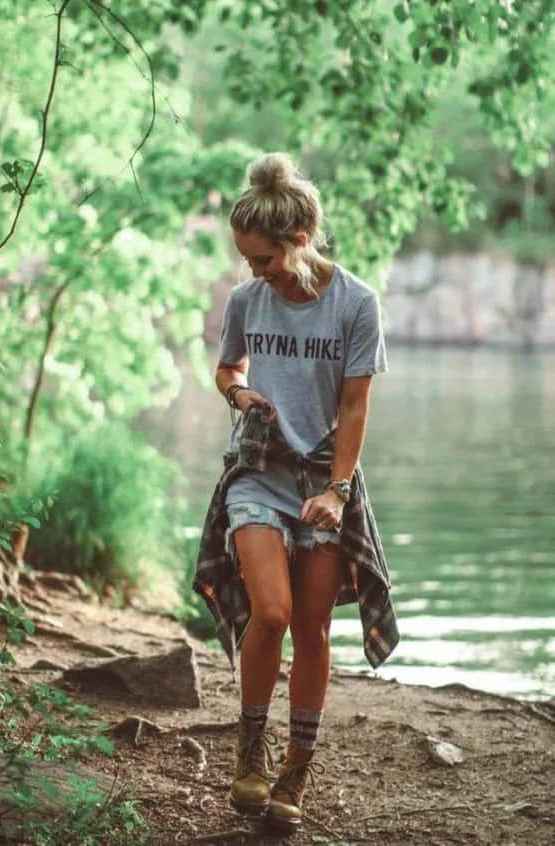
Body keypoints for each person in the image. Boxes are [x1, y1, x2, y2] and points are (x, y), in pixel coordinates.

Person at [193, 152, 399, 833]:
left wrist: (339, 490)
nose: (254, 273)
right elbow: (226, 368)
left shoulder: (357, 305)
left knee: (312, 627)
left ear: (301, 239)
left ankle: (295, 772)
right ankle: (249, 751)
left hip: (324, 478)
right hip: (259, 471)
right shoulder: (249, 299)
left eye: (264, 259)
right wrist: (238, 390)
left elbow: (357, 408)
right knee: (273, 612)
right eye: (247, 260)